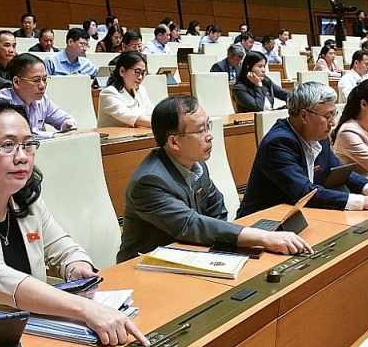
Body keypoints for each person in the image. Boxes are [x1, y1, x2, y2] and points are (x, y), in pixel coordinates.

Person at [0, 99, 147, 346]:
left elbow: (62, 247)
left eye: (28, 144)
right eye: (7, 145)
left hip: (13, 338)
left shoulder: (25, 203)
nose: (22, 157)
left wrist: (76, 267)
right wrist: (84, 308)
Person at [117, 95, 311, 262]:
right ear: (174, 141)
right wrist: (263, 237)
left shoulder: (198, 165)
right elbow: (190, 225)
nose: (210, 136)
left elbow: (217, 209)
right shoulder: (149, 181)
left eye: (208, 126)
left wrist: (217, 243)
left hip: (189, 255)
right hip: (145, 268)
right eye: (200, 130)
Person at [237, 82, 368, 218]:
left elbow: (342, 173)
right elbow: (306, 193)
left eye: (334, 114)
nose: (333, 122)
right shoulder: (279, 143)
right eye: (328, 116)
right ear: (304, 115)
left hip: (299, 216)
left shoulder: (320, 138)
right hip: (262, 220)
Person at [0, 54, 76, 139]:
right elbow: (21, 136)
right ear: (16, 82)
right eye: (36, 80)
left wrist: (67, 125)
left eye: (44, 79)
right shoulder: (1, 103)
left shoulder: (42, 100)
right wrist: (54, 136)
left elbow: (65, 118)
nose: (42, 86)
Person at [97, 51, 154, 128]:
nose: (140, 77)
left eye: (143, 73)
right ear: (122, 71)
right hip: (114, 138)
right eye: (137, 72)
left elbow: (151, 113)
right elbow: (130, 117)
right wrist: (160, 125)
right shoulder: (108, 93)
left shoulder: (141, 90)